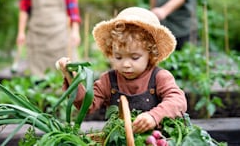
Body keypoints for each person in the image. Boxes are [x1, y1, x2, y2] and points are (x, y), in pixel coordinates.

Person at [57, 7, 187, 133]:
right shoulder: (108, 80)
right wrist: (72, 78)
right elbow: (87, 105)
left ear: (151, 54)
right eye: (118, 57)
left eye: (135, 57)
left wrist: (154, 116)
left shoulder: (160, 77)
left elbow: (177, 101)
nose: (125, 64)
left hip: (154, 140)